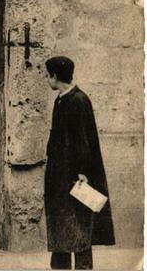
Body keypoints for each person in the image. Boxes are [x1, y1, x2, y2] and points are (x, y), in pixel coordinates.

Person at [44, 56, 115, 270]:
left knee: (79, 227)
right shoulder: (61, 100)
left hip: (75, 177)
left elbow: (83, 140)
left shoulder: (79, 100)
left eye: (48, 75)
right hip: (59, 177)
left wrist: (83, 172)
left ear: (55, 76)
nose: (47, 79)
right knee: (61, 227)